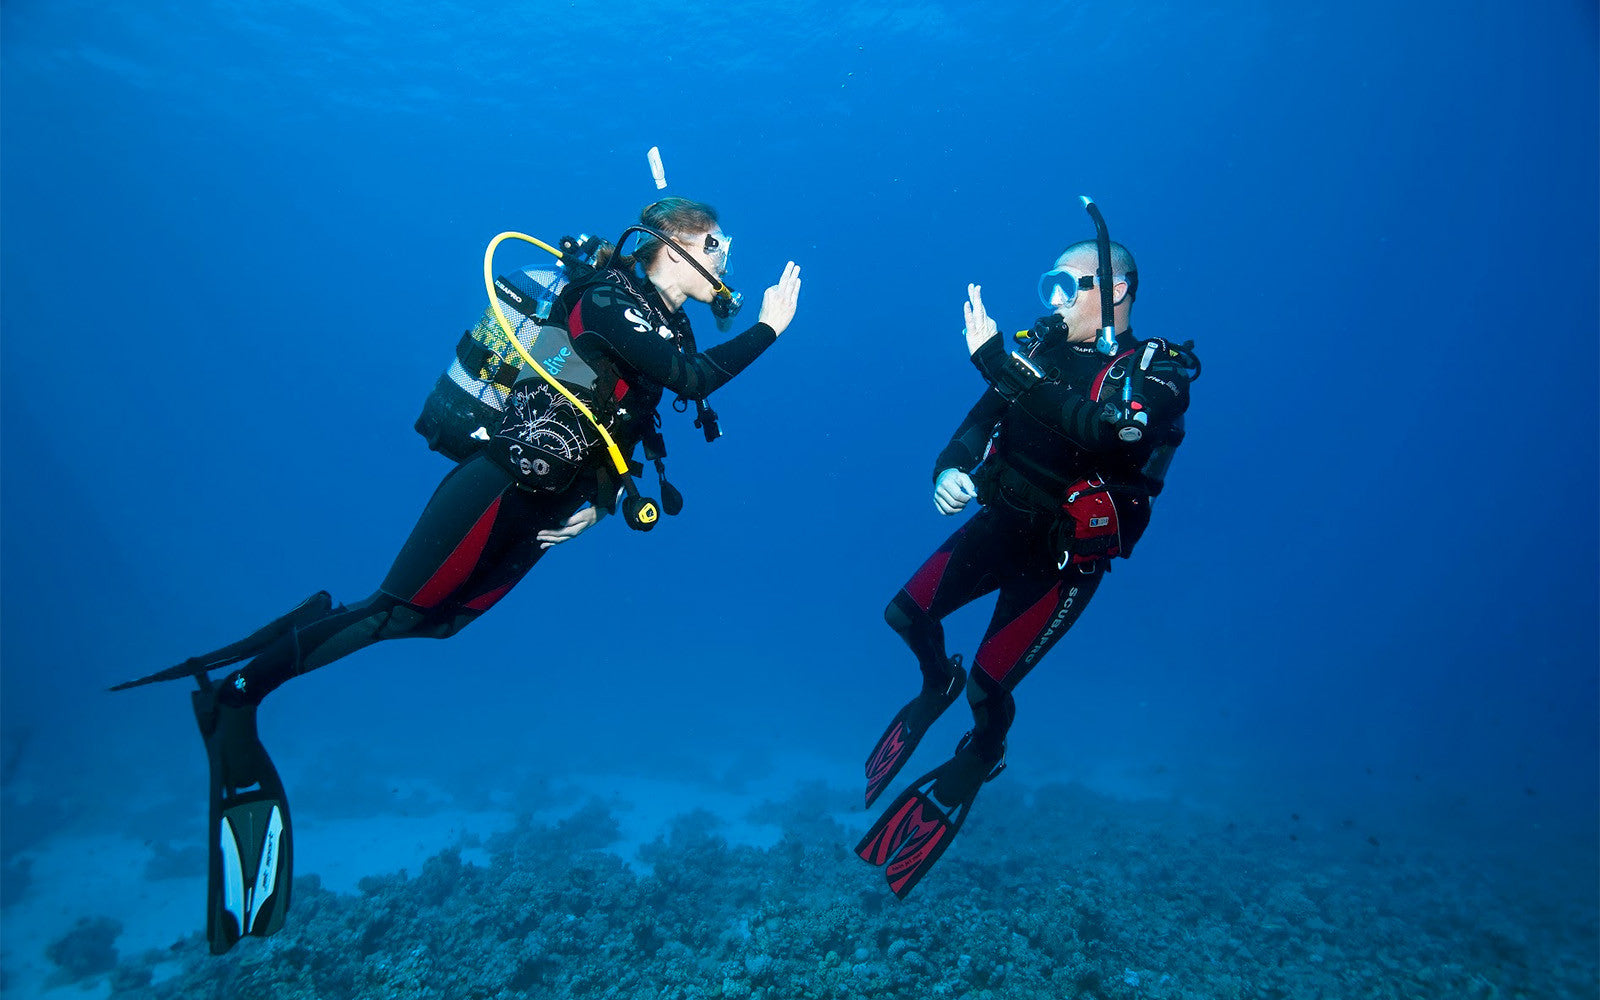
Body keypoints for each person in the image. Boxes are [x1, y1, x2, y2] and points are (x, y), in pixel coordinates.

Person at [111, 197, 802, 953]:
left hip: (546, 503)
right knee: (392, 609)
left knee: (439, 621)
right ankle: (237, 699)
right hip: (497, 483)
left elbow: (628, 414)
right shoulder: (604, 297)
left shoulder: (672, 321)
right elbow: (692, 379)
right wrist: (769, 326)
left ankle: (310, 619)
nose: (727, 258)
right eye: (716, 243)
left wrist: (601, 501)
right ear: (674, 247)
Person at [855, 227, 1198, 898]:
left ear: (1118, 290)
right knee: (904, 615)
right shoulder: (1037, 349)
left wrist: (999, 364)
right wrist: (948, 468)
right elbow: (982, 419)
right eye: (1053, 282)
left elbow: (1104, 429)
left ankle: (985, 749)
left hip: (1063, 560)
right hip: (1000, 520)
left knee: (990, 687)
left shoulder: (1157, 373)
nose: (1056, 297)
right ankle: (935, 684)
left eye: (1072, 284)